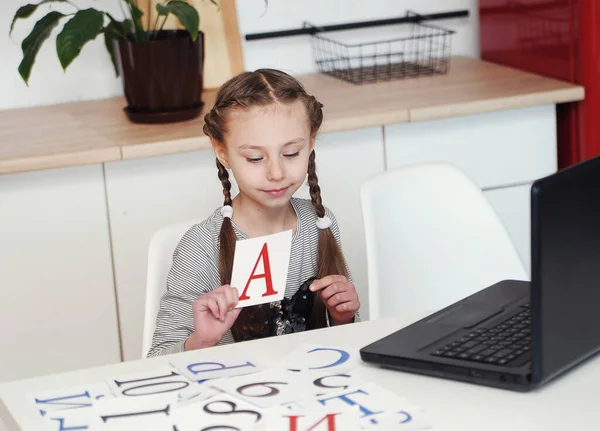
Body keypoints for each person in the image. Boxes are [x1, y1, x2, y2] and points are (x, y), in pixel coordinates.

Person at [147, 69, 360, 357]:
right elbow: (157, 360)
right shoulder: (200, 247)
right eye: (255, 158)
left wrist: (342, 316)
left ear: (310, 143)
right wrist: (202, 341)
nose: (276, 173)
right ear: (222, 152)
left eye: (291, 153)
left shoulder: (320, 224)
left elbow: (346, 342)